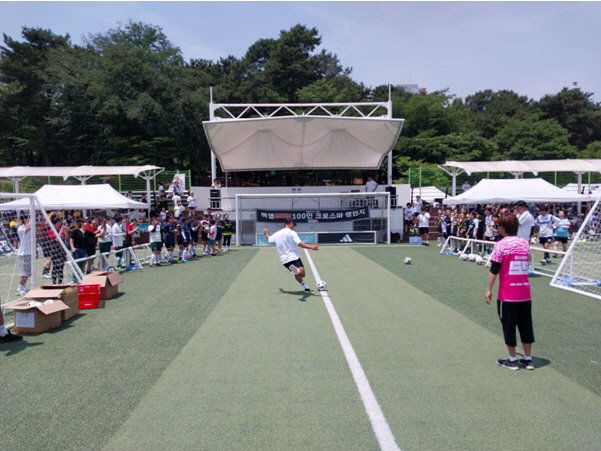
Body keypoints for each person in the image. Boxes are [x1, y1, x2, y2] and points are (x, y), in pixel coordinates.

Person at [485, 213, 535, 371]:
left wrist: (488, 289)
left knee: (509, 326)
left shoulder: (501, 245)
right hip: (524, 292)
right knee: (526, 325)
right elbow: (527, 260)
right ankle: (528, 359)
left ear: (502, 227)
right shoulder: (524, 243)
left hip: (507, 294)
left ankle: (512, 360)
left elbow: (494, 268)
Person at [263, 219, 319, 293]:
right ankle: (297, 271)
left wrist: (266, 233)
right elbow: (300, 244)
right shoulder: (292, 233)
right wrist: (312, 247)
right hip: (293, 257)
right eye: (294, 225)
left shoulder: (277, 233)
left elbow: (268, 239)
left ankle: (305, 287)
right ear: (291, 223)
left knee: (296, 272)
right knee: (302, 273)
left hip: (284, 260)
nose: (293, 227)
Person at [16, 217, 32, 296]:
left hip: (29, 253)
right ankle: (20, 288)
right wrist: (32, 217)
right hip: (23, 253)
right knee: (23, 273)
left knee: (28, 273)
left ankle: (23, 287)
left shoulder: (29, 228)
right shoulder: (21, 229)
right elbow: (28, 228)